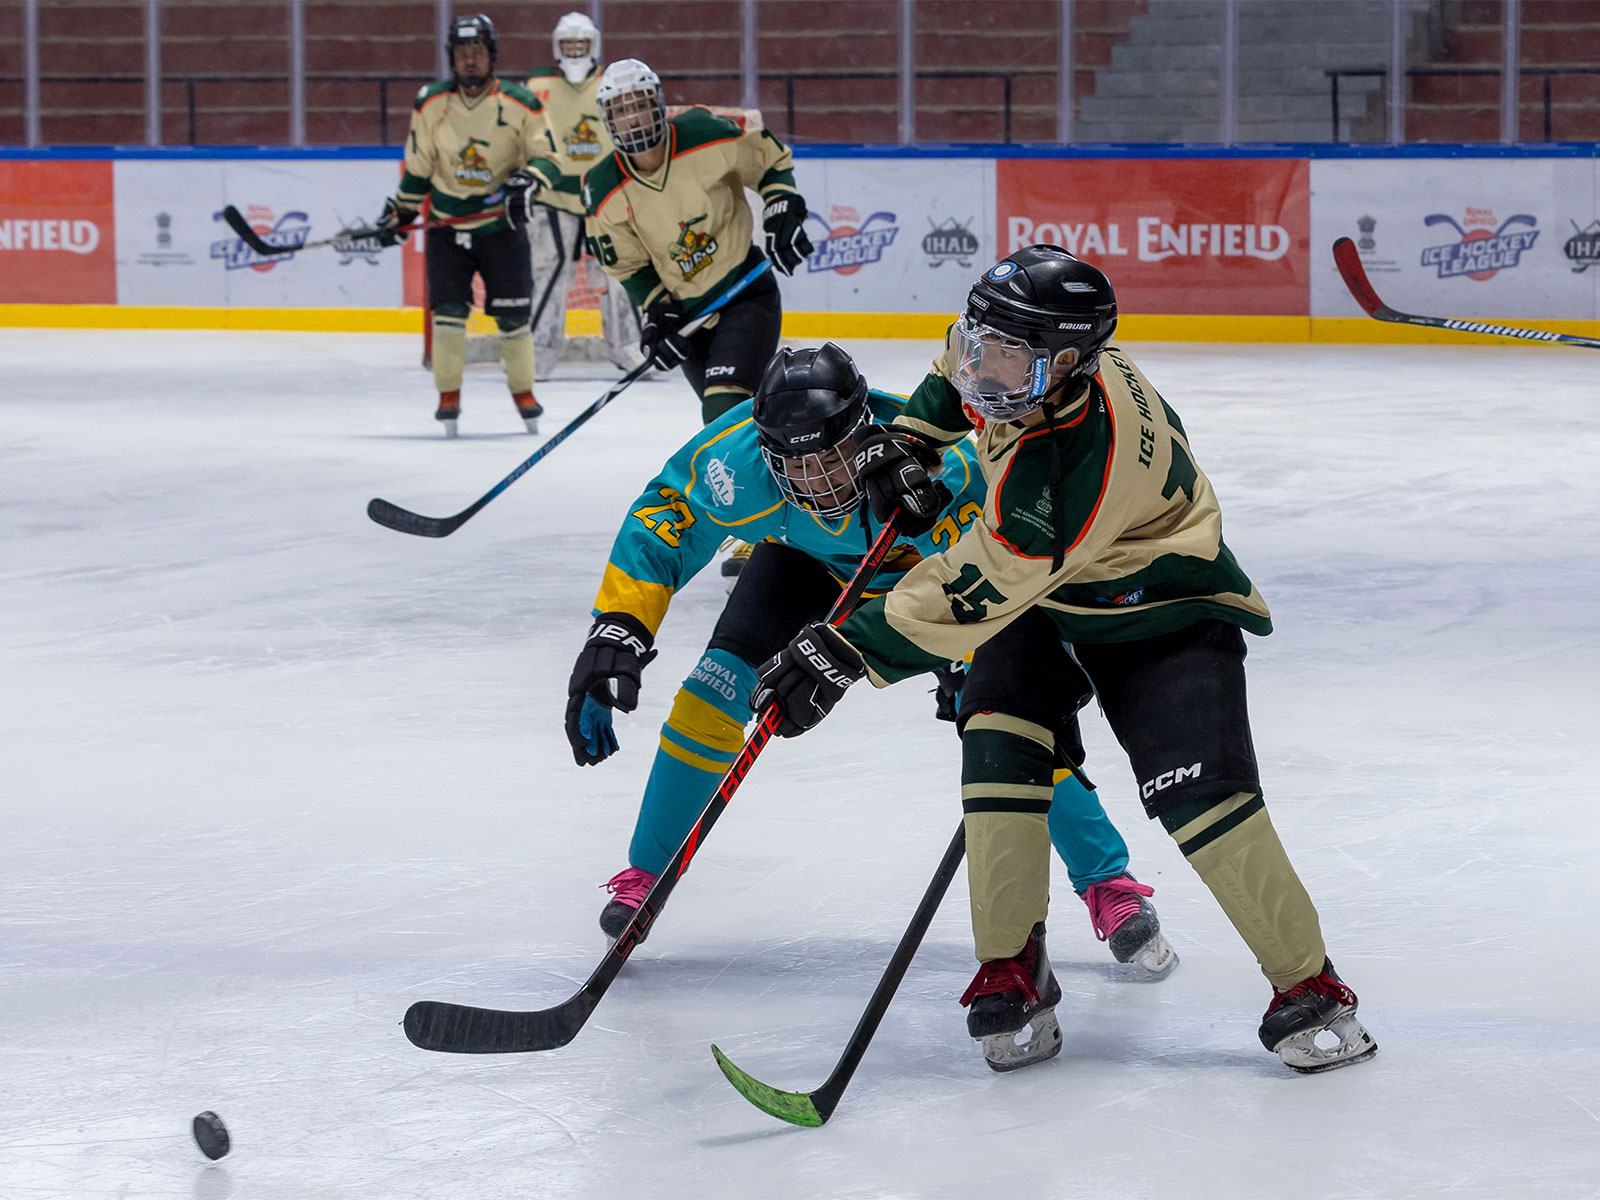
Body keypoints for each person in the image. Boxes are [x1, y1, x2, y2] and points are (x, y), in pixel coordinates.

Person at [751, 247, 1378, 1076]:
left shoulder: (1078, 462)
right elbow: (954, 362)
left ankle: (1313, 986)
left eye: (1009, 358)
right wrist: (905, 444)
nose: (985, 367)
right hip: (1046, 601)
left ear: (1071, 365)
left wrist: (844, 647)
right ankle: (1012, 966)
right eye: (986, 343)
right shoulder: (1025, 352)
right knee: (997, 748)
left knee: (1201, 798)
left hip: (1158, 603)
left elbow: (979, 585)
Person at [563, 342, 1177, 984]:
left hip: (935, 581)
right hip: (807, 567)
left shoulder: (948, 466)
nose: (816, 481)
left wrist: (1013, 657)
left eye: (830, 459)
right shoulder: (735, 462)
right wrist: (619, 626)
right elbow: (666, 516)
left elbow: (1019, 555)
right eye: (794, 466)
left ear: (862, 431)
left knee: (1006, 722)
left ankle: (1108, 881)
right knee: (709, 695)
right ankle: (646, 872)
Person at [377, 13, 549, 438]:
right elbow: (418, 171)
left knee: (514, 320)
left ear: (491, 56)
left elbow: (548, 158)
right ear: (451, 58)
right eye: (460, 53)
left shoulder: (520, 103)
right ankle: (448, 395)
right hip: (447, 229)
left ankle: (523, 393)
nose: (469, 61)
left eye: (476, 52)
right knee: (448, 317)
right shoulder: (431, 103)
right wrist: (400, 212)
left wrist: (526, 182)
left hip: (500, 229)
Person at [522, 11, 646, 375]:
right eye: (568, 44)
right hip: (554, 197)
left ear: (594, 45)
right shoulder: (537, 84)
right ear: (556, 47)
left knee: (621, 271)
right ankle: (539, 351)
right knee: (549, 271)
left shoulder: (613, 82)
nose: (575, 51)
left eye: (582, 44)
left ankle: (629, 347)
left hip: (606, 196)